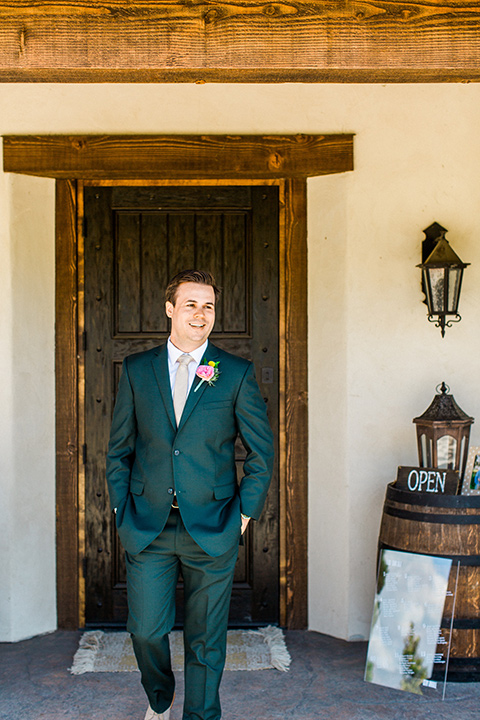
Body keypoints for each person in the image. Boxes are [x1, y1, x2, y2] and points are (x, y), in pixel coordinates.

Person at [106, 269, 274, 720]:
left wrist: (244, 514)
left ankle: (200, 716)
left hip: (214, 524)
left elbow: (261, 450)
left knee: (205, 638)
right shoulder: (138, 370)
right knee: (144, 629)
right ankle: (159, 700)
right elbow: (118, 449)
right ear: (170, 309)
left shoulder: (232, 372)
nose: (200, 314)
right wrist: (123, 509)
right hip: (148, 525)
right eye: (191, 304)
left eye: (208, 306)